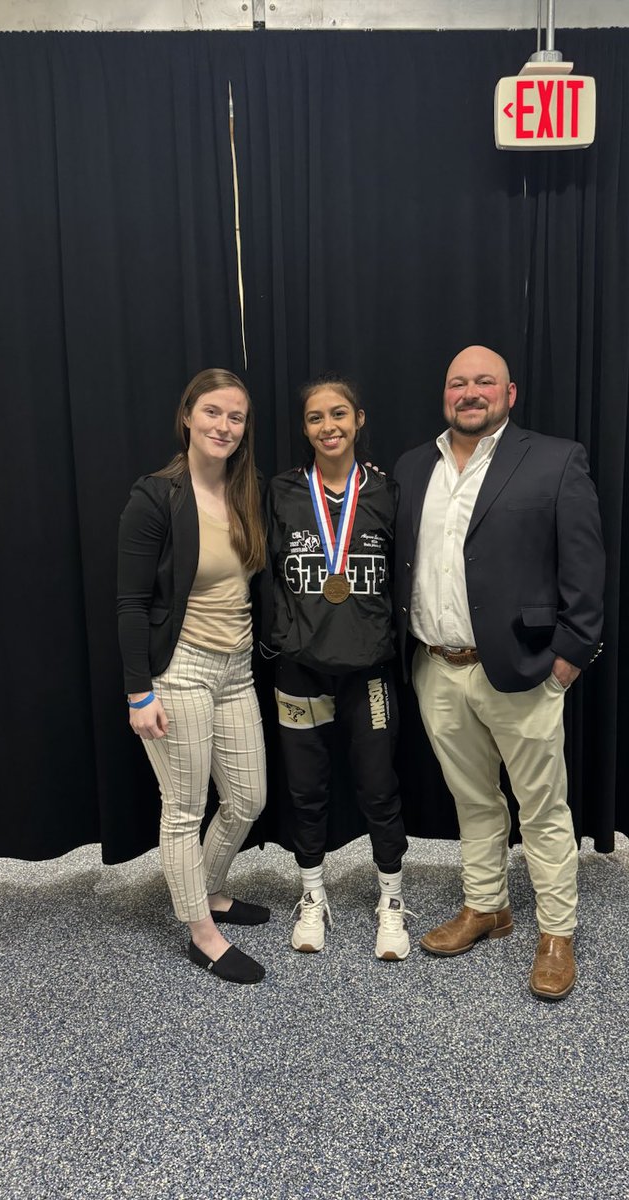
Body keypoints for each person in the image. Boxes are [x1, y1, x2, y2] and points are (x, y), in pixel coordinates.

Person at [393, 345, 604, 1000]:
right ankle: (486, 907)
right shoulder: (411, 467)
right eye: (458, 382)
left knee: (542, 808)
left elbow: (586, 571)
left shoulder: (554, 460)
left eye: (485, 381)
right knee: (474, 800)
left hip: (524, 669)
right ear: (445, 394)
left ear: (510, 394)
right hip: (437, 667)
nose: (470, 391)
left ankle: (557, 933)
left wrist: (567, 661)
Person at [117, 368, 270, 985]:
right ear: (188, 415)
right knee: (183, 807)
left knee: (248, 798)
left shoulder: (244, 490)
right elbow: (129, 603)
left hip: (236, 667)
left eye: (235, 417)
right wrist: (138, 692)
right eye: (212, 412)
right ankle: (200, 933)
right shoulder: (156, 497)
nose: (223, 426)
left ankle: (204, 890)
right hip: (179, 668)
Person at [266, 377, 411, 960]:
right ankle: (311, 894)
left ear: (358, 419)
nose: (328, 426)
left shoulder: (387, 492)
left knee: (378, 787)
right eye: (315, 418)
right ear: (304, 428)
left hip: (369, 670)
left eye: (339, 414)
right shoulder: (279, 492)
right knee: (305, 790)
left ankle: (392, 901)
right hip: (299, 669)